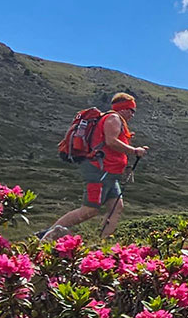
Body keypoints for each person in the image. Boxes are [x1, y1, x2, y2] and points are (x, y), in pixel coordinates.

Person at [40, 93, 151, 240]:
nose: (132, 114)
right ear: (124, 109)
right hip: (100, 170)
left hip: (109, 172)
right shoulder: (113, 118)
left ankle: (103, 243)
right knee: (90, 209)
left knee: (116, 207)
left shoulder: (114, 120)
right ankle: (48, 234)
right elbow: (111, 141)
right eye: (131, 110)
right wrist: (134, 151)